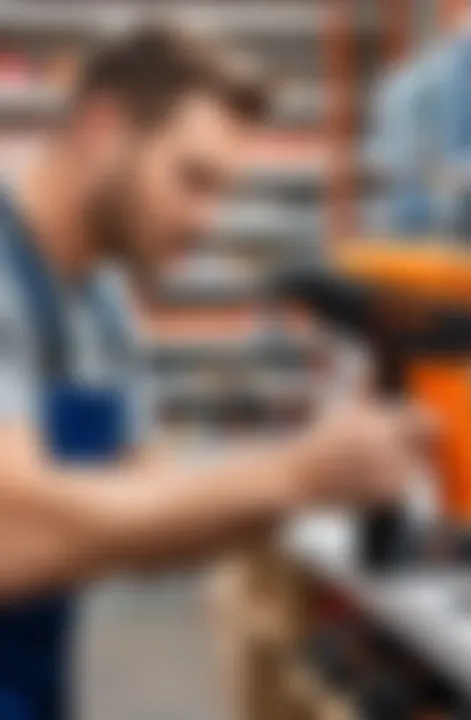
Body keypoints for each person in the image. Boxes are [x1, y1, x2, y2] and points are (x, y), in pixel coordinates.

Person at [0, 27, 433, 720]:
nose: (206, 221)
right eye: (191, 178)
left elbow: (146, 520)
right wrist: (294, 474)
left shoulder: (106, 308)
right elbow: (12, 534)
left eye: (222, 192)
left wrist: (319, 477)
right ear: (102, 127)